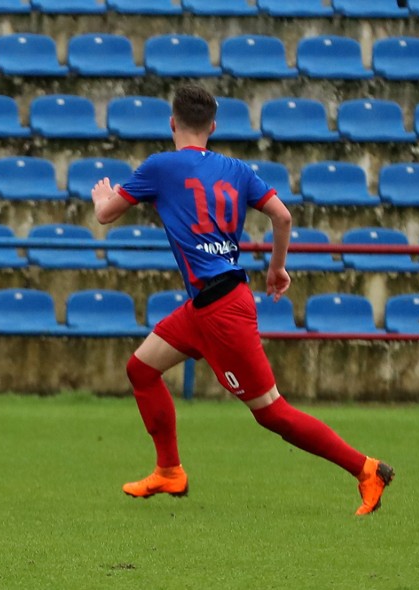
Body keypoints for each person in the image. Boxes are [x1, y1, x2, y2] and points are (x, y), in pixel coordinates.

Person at [91, 84, 393, 515]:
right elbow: (282, 216)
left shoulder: (160, 166)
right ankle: (169, 470)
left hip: (220, 311)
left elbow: (106, 214)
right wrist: (277, 268)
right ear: (212, 127)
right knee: (141, 369)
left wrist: (102, 197)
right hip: (208, 303)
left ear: (172, 123)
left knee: (272, 412)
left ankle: (366, 469)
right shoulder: (236, 168)